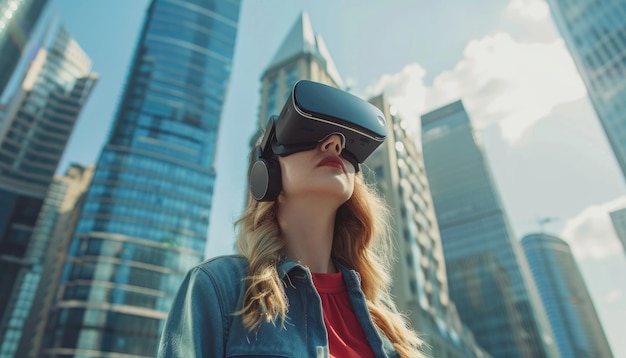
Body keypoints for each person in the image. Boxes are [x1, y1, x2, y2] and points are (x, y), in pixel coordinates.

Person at [158, 81, 425, 358]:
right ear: (266, 173)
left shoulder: (384, 322)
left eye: (345, 144)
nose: (335, 143)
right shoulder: (217, 288)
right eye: (307, 133)